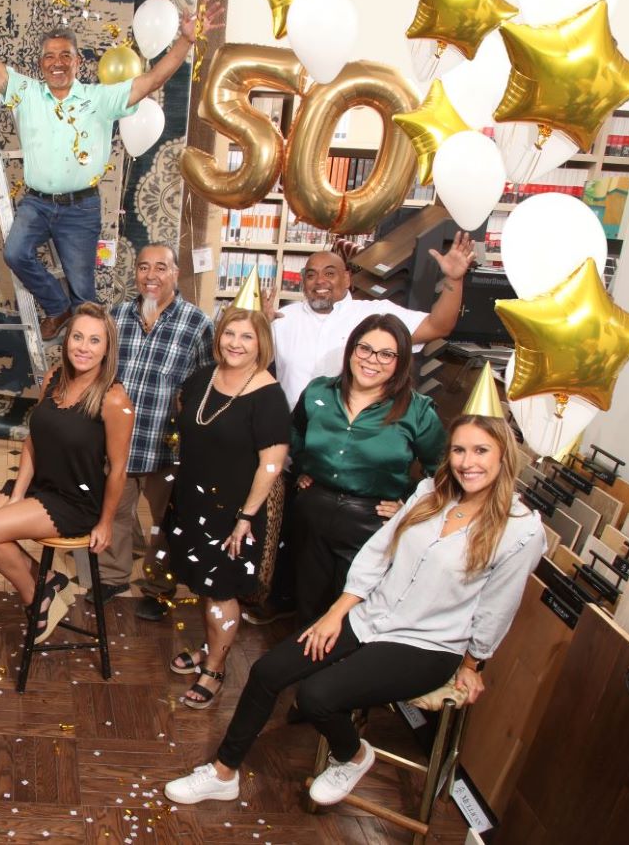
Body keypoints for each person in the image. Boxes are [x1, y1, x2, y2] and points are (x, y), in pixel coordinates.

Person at [163, 412, 546, 807]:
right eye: (459, 450)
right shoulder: (431, 493)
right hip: (369, 617)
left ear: (504, 456)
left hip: (429, 644)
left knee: (315, 697)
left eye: (481, 451)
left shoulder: (522, 530)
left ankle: (354, 755)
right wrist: (336, 613)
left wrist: (473, 663)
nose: (468, 462)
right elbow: (378, 554)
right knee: (267, 672)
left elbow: (499, 603)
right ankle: (224, 773)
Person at [0, 0, 223, 341]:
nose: (57, 62)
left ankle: (90, 371)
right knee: (15, 252)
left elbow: (152, 81)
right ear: (41, 64)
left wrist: (186, 40)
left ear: (77, 61)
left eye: (65, 55)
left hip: (80, 208)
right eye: (49, 56)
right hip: (37, 203)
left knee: (85, 296)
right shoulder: (26, 92)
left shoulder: (99, 98)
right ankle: (55, 306)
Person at [0, 304, 134, 642]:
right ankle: (49, 579)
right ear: (67, 339)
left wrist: (105, 522)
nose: (84, 347)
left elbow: (117, 470)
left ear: (107, 348)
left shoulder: (115, 399)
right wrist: (17, 493)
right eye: (78, 337)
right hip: (42, 483)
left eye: (95, 340)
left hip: (74, 500)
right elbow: (33, 440)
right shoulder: (54, 377)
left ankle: (38, 597)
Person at [163, 307, 289, 708]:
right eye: (229, 334)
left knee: (221, 590)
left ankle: (215, 668)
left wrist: (245, 518)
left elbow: (271, 464)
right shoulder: (204, 377)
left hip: (235, 513)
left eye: (246, 337)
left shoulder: (268, 395)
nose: (235, 343)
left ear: (261, 344)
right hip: (192, 500)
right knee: (204, 584)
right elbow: (184, 414)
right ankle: (208, 647)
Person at [290, 315, 447, 624]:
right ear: (351, 350)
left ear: (401, 362)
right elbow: (295, 433)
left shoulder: (417, 411)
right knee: (306, 608)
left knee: (352, 614)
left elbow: (441, 471)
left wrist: (411, 506)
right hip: (312, 514)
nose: (372, 360)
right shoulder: (319, 392)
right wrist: (302, 469)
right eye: (365, 348)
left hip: (370, 525)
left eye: (386, 354)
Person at [105, 244, 213, 621]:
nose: (151, 275)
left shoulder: (197, 324)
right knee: (116, 513)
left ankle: (158, 587)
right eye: (143, 267)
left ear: (176, 274)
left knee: (165, 524)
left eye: (161, 268)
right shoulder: (115, 315)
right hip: (118, 444)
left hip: (167, 446)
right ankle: (111, 577)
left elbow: (205, 386)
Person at [267, 232, 474, 409]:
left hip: (354, 439)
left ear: (347, 279)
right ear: (304, 282)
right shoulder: (283, 319)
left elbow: (438, 326)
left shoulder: (376, 316)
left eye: (330, 273)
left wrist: (453, 279)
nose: (320, 281)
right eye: (311, 275)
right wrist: (258, 324)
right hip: (291, 440)